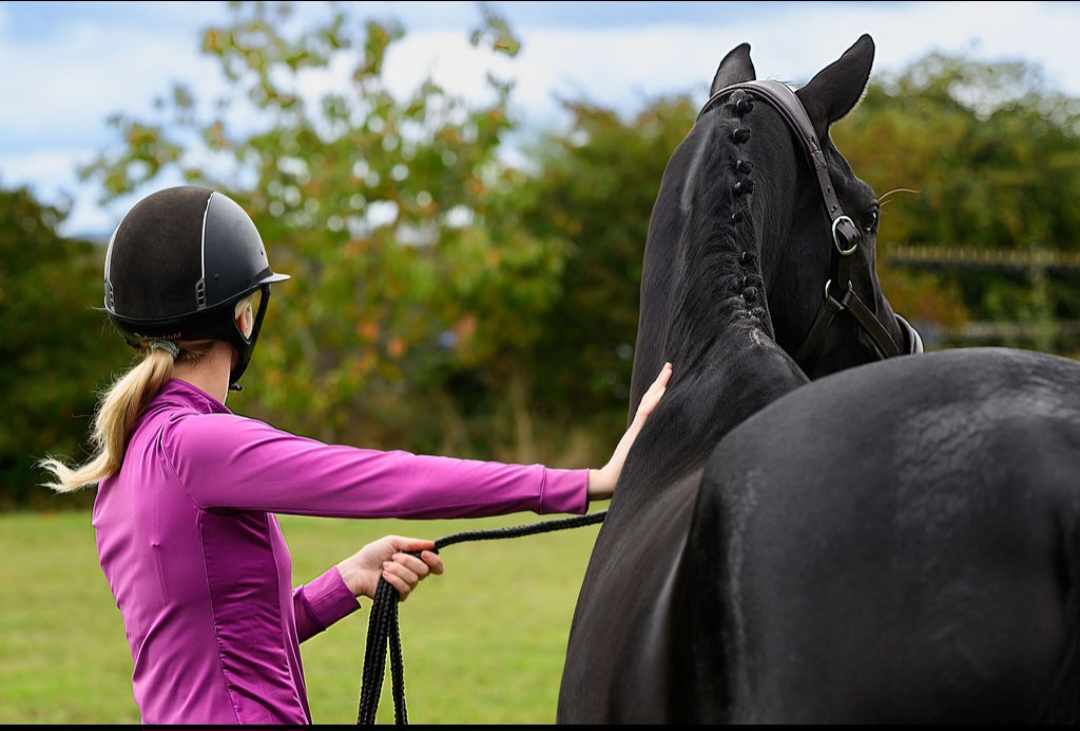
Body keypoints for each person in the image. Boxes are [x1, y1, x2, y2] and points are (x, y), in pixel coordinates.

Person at [40, 186, 671, 724]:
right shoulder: (199, 444)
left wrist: (344, 583)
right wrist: (589, 481)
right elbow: (391, 480)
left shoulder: (125, 463)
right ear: (243, 316)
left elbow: (223, 652)